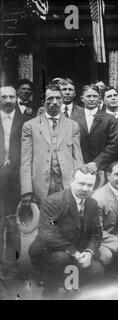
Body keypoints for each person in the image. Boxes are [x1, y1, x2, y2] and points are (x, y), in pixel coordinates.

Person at [28, 167, 104, 297]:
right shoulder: (54, 202)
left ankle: (69, 286)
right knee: (62, 259)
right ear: (71, 181)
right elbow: (49, 232)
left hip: (76, 252)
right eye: (81, 184)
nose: (85, 189)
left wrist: (88, 252)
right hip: (48, 250)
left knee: (98, 270)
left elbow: (97, 233)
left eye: (90, 185)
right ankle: (49, 292)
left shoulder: (92, 204)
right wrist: (74, 252)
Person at [21, 84, 84, 205]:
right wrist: (26, 190)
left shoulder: (72, 125)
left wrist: (80, 183)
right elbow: (25, 160)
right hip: (42, 185)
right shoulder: (30, 126)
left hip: (67, 183)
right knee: (48, 220)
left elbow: (78, 157)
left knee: (65, 218)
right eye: (50, 98)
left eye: (58, 98)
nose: (54, 102)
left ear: (61, 100)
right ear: (43, 101)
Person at [0, 86, 25, 280]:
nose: (8, 100)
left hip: (15, 179)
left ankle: (12, 266)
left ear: (16, 98)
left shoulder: (24, 120)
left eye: (11, 96)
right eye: (4, 97)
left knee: (12, 224)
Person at [72, 84, 118, 178]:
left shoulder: (109, 119)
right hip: (79, 167)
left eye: (95, 96)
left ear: (100, 98)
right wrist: (80, 163)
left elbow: (113, 144)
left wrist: (97, 163)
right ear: (82, 98)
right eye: (88, 96)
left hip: (102, 168)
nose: (92, 99)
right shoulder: (74, 119)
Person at [92, 162, 118, 268]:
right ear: (108, 175)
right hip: (103, 239)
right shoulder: (98, 198)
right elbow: (96, 231)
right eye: (117, 174)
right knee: (107, 256)